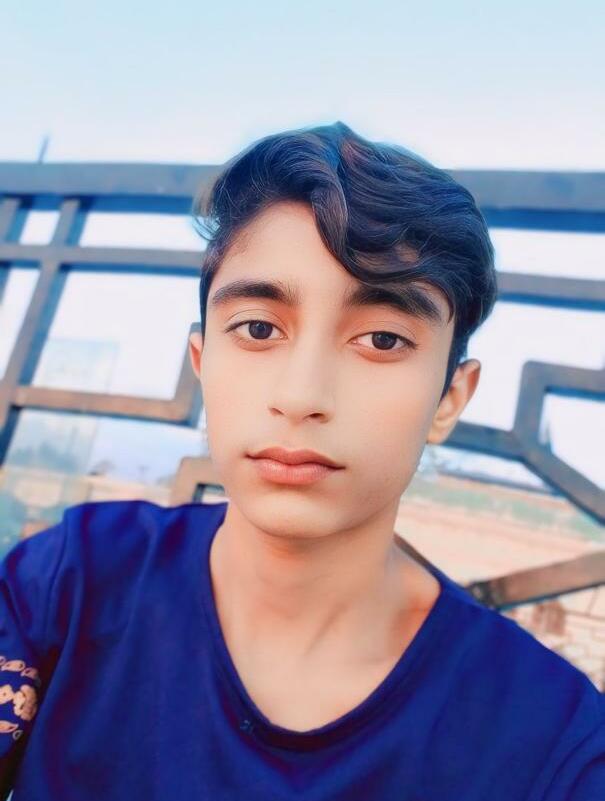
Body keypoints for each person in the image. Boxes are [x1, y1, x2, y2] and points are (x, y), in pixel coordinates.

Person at [0, 121, 603, 800]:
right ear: (202, 361)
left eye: (382, 339)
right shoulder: (75, 582)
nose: (301, 395)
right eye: (258, 328)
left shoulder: (547, 739)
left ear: (449, 398)